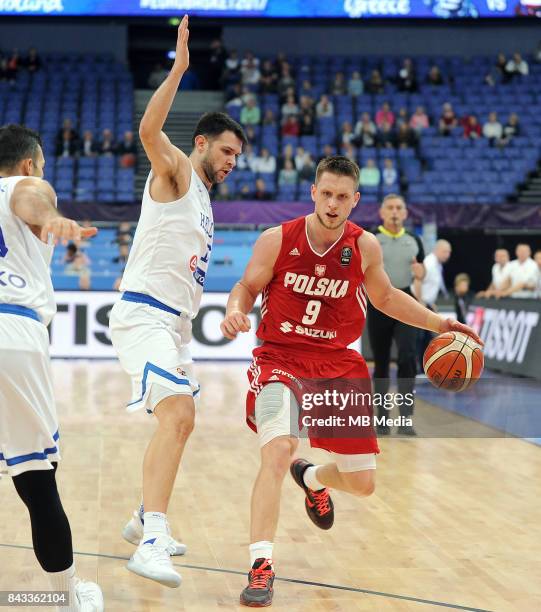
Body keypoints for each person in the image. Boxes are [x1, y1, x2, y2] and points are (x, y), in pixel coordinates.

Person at [220, 157, 481, 607]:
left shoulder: (364, 247)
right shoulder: (277, 239)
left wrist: (440, 324)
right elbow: (246, 286)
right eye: (327, 193)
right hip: (280, 359)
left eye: (343, 196)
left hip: (339, 365)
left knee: (362, 483)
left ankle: (314, 479)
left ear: (355, 201)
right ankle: (261, 565)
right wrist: (234, 309)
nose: (334, 203)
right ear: (313, 193)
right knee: (279, 449)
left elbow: (386, 297)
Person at [108, 16, 246, 589]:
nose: (232, 161)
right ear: (201, 142)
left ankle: (145, 515)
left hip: (174, 324)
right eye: (227, 150)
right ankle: (152, 537)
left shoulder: (206, 202)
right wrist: (180, 68)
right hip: (144, 315)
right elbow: (147, 130)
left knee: (183, 423)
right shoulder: (178, 174)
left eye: (238, 155)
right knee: (179, 415)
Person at [0, 124, 103, 611]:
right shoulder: (22, 185)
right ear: (28, 163)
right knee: (39, 476)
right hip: (11, 332)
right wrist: (54, 216)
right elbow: (30, 197)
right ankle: (66, 598)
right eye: (40, 165)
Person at [367, 195, 426, 435]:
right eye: (390, 208)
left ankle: (405, 420)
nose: (394, 212)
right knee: (381, 363)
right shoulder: (370, 238)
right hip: (378, 305)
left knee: (407, 359)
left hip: (406, 304)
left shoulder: (414, 240)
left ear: (405, 213)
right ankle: (381, 420)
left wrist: (422, 275)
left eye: (399, 208)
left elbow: (420, 273)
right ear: (381, 212)